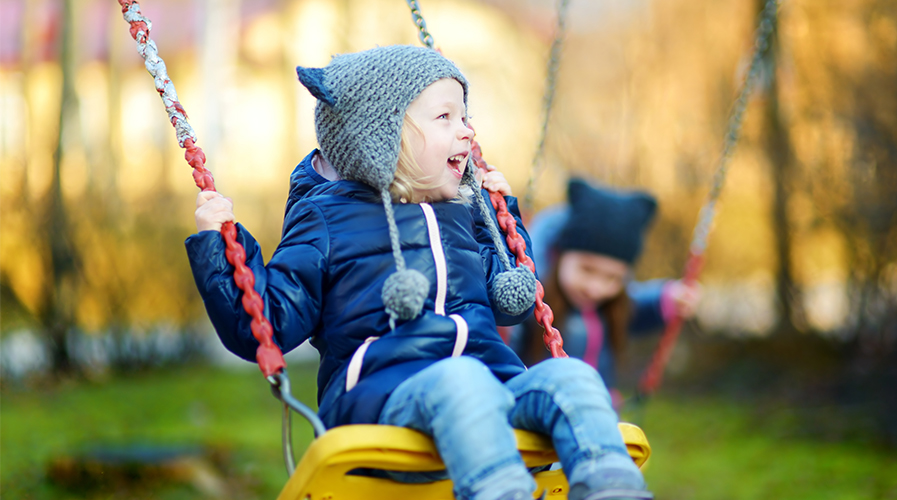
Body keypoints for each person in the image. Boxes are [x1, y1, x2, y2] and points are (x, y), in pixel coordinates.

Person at [185, 46, 652, 500]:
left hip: (491, 390)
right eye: (445, 118)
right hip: (383, 403)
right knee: (459, 379)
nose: (468, 132)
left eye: (464, 116)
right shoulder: (327, 219)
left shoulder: (463, 214)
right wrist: (220, 246)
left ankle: (611, 485)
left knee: (572, 379)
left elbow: (510, 300)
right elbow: (265, 324)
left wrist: (500, 216)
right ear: (381, 133)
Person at [508, 177, 700, 411]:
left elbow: (637, 307)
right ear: (558, 256)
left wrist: (667, 298)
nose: (595, 288)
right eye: (587, 270)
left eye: (612, 278)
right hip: (543, 410)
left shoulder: (611, 308)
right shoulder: (533, 305)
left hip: (599, 412)